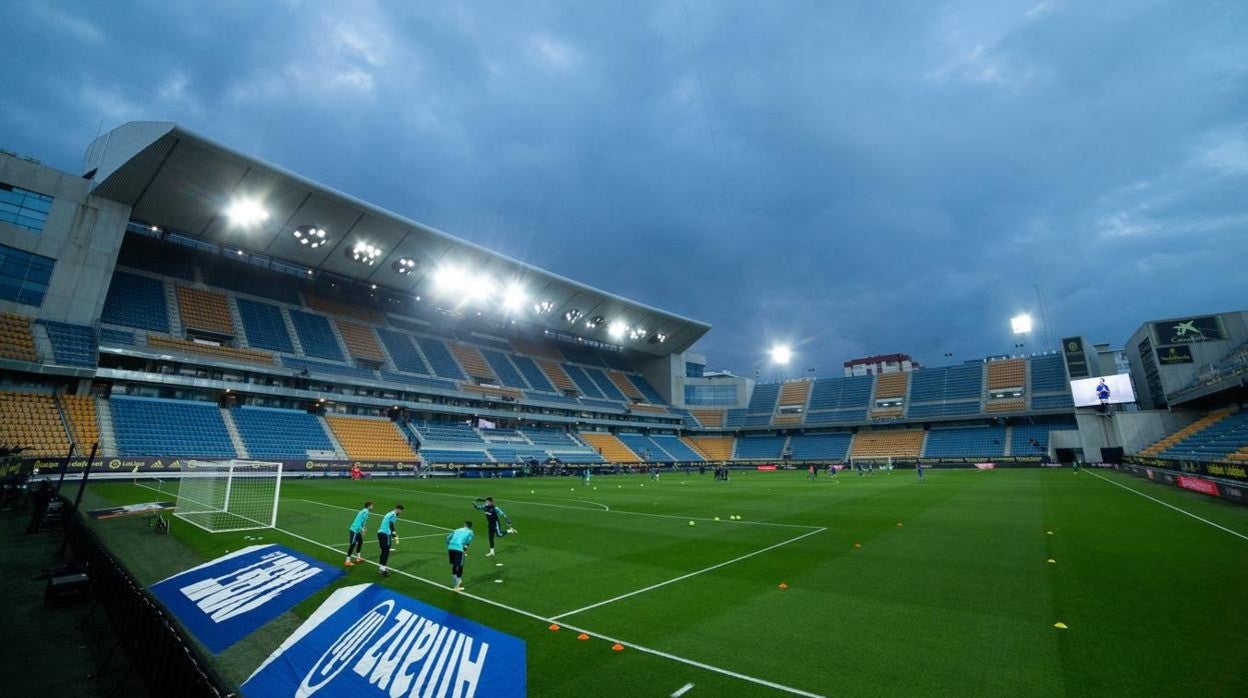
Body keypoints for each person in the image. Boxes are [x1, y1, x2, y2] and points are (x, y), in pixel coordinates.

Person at [446, 520, 475, 591]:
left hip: (450, 547)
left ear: (465, 524)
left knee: (454, 565)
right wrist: (464, 550)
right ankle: (457, 586)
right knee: (460, 566)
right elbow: (468, 542)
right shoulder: (470, 532)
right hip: (459, 549)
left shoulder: (456, 530)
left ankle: (455, 582)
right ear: (470, 527)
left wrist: (450, 545)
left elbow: (447, 538)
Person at [377, 504, 404, 577]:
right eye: (400, 511)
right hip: (386, 534)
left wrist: (393, 534)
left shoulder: (389, 513)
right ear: (398, 509)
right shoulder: (393, 515)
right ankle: (383, 570)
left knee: (383, 551)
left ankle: (381, 568)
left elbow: (388, 524)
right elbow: (391, 524)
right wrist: (394, 534)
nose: (400, 513)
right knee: (386, 552)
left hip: (380, 533)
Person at [345, 500, 373, 566]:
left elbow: (361, 521)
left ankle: (358, 558)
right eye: (372, 506)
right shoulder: (366, 512)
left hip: (357, 530)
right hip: (354, 530)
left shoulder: (363, 511)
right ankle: (347, 561)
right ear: (369, 506)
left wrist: (363, 527)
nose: (372, 507)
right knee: (353, 544)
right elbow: (360, 522)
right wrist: (362, 529)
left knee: (360, 542)